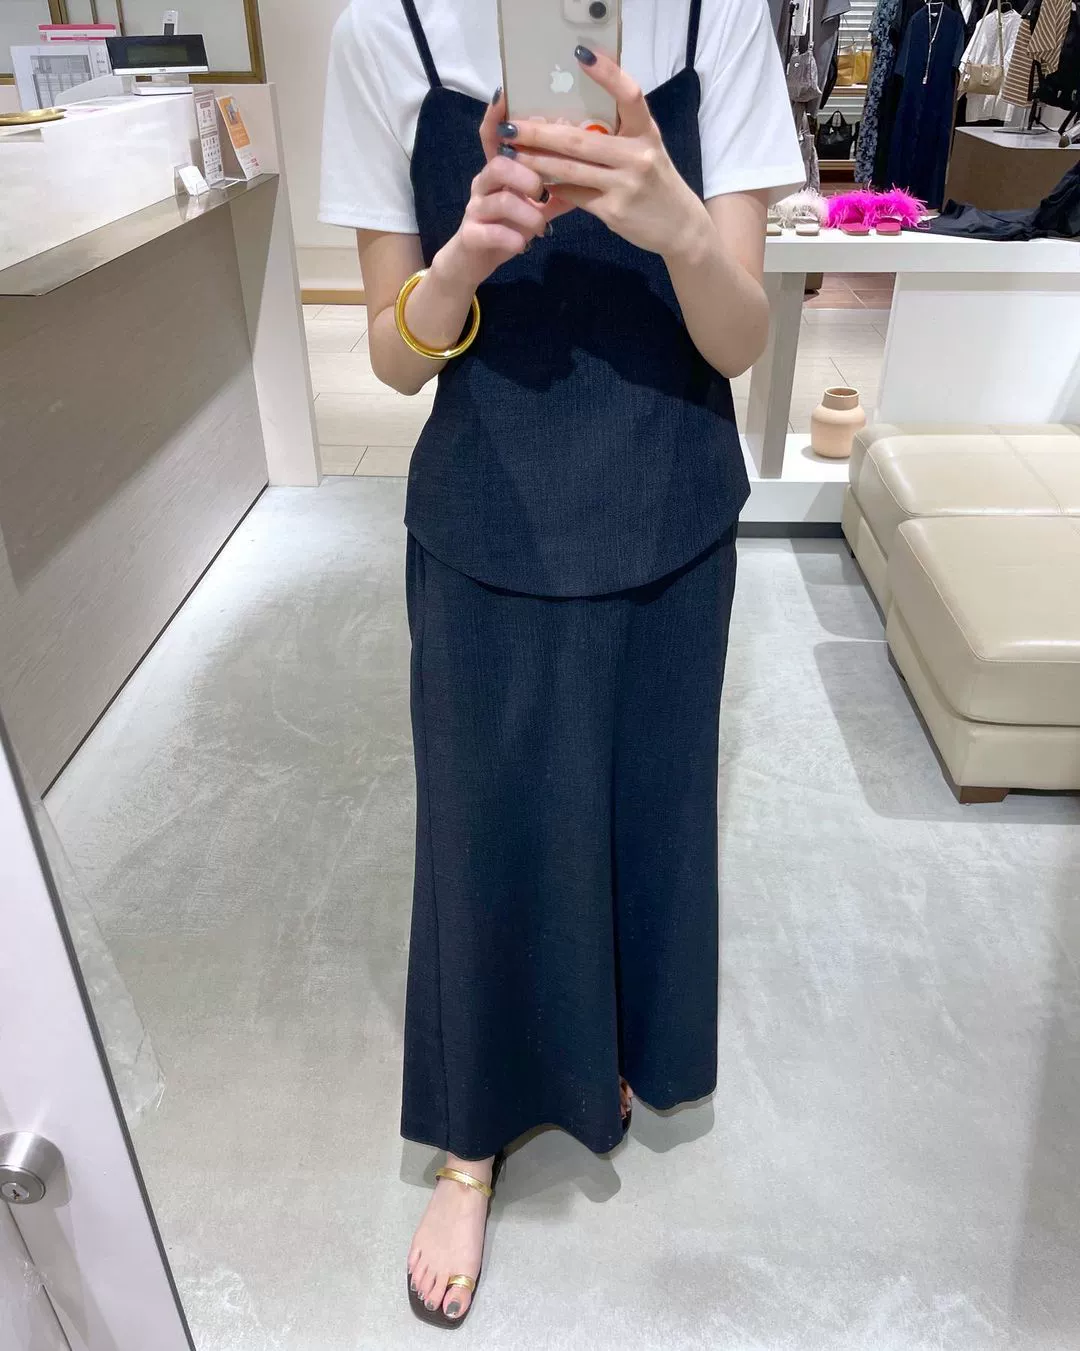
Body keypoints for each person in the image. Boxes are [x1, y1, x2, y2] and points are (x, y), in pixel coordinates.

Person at [320, 0, 802, 1327]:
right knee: (479, 835)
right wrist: (459, 267)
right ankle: (469, 1148)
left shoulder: (717, 17)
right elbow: (392, 359)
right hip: (488, 506)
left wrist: (677, 223)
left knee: (648, 810)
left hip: (670, 501)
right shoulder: (385, 32)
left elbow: (740, 338)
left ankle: (614, 1046)